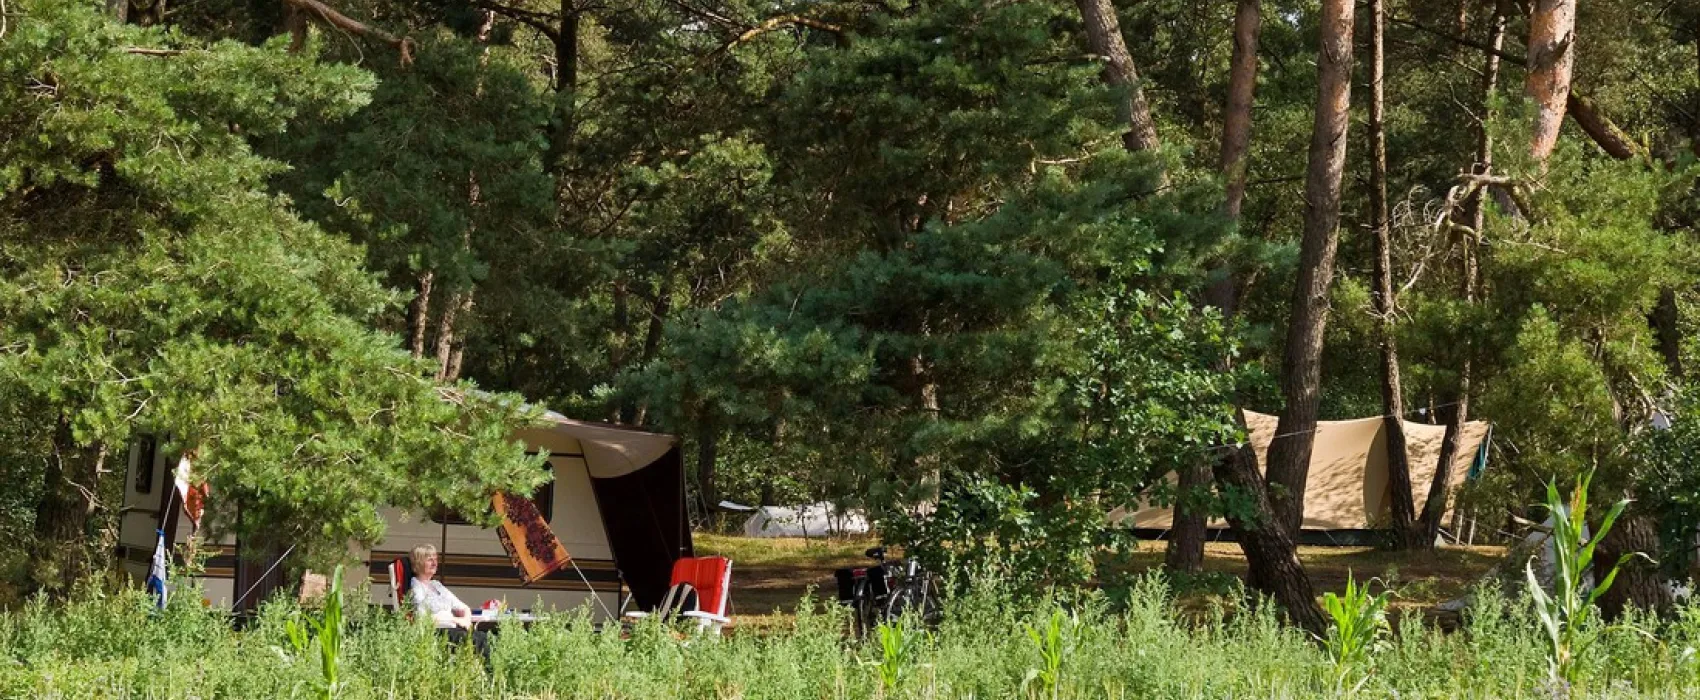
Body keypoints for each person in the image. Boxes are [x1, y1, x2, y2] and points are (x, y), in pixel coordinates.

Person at [409, 544, 488, 659]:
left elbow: (463, 607)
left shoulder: (436, 585)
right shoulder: (416, 587)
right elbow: (422, 618)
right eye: (429, 560)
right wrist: (456, 620)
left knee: (485, 637)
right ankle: (493, 674)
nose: (434, 563)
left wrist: (465, 620)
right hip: (437, 633)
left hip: (454, 629)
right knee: (477, 641)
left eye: (435, 559)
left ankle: (495, 673)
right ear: (418, 563)